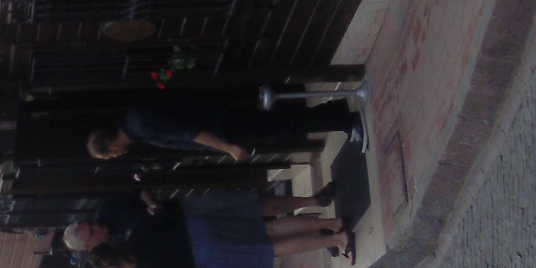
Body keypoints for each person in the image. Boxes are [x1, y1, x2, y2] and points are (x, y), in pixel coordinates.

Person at [66, 190, 349, 268]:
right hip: (191, 226)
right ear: (89, 246)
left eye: (92, 225)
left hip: (198, 241)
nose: (98, 227)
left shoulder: (134, 266)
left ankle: (328, 232)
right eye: (93, 232)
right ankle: (328, 224)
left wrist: (151, 202)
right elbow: (157, 222)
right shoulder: (131, 236)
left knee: (266, 238)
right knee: (265, 228)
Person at [87, 99, 362, 162]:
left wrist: (227, 147)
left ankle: (344, 119)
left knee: (282, 126)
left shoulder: (142, 126)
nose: (114, 156)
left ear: (111, 146)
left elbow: (189, 131)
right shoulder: (136, 123)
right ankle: (337, 113)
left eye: (109, 155)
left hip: (220, 126)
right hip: (219, 121)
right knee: (280, 124)